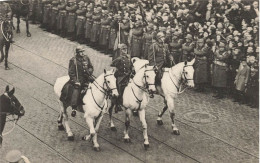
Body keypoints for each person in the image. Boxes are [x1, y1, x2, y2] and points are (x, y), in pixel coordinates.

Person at [61, 45, 94, 117]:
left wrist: (89, 71)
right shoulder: (73, 60)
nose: (82, 53)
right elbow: (71, 72)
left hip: (87, 77)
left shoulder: (86, 58)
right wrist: (76, 81)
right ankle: (74, 107)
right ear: (77, 53)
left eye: (83, 51)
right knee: (77, 90)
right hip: (79, 79)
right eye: (80, 52)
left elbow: (91, 67)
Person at [110, 43, 132, 112]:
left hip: (128, 75)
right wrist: (118, 66)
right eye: (123, 49)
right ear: (121, 50)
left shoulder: (128, 57)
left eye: (126, 49)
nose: (125, 51)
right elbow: (112, 64)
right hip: (121, 75)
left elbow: (131, 66)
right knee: (119, 88)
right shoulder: (119, 58)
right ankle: (117, 104)